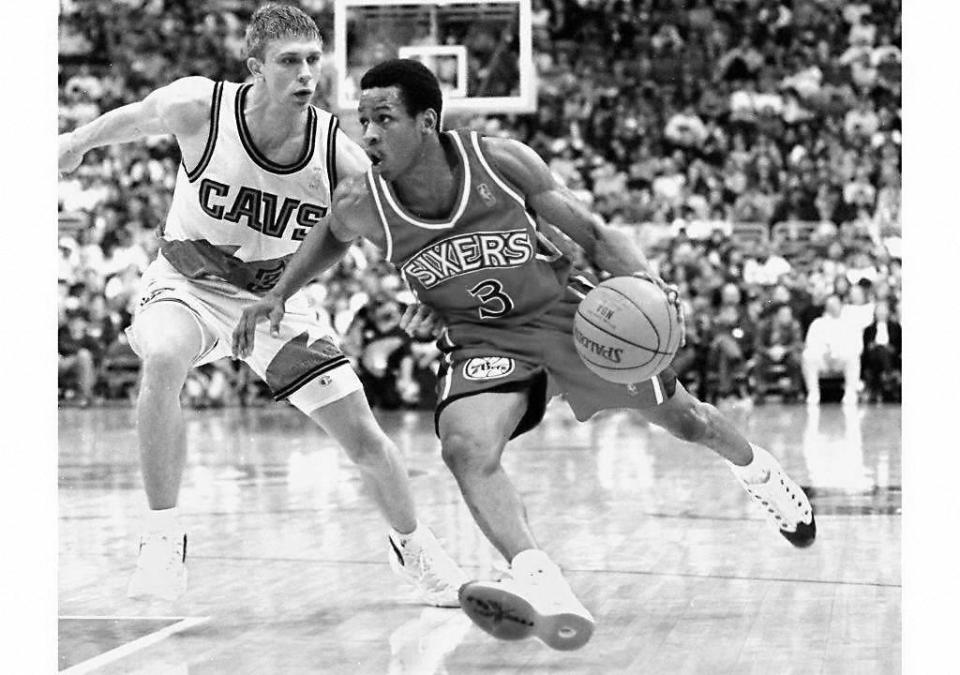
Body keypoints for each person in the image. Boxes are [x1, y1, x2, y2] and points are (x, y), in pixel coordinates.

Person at [232, 59, 816, 651]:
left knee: (689, 421)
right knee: (464, 448)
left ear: (427, 121)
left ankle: (759, 472)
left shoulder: (501, 162)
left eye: (384, 119)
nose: (370, 135)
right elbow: (330, 235)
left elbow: (591, 234)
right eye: (363, 122)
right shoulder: (363, 200)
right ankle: (540, 578)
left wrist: (652, 288)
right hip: (482, 338)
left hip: (568, 316)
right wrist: (278, 292)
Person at [57, 5, 465, 606]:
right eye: (289, 62)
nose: (306, 75)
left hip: (274, 302)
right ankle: (162, 537)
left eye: (312, 62)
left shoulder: (337, 153)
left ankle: (415, 549)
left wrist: (435, 292)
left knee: (364, 437)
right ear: (255, 68)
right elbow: (136, 118)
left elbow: (398, 231)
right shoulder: (200, 106)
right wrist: (74, 142)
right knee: (164, 355)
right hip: (187, 284)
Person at [802, 294, 862, 406]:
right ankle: (813, 393)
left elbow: (858, 346)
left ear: (841, 305)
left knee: (853, 357)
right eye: (829, 305)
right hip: (823, 360)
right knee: (808, 355)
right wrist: (824, 352)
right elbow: (810, 344)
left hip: (841, 360)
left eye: (835, 304)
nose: (832, 307)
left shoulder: (850, 324)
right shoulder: (817, 323)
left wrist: (838, 352)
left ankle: (850, 393)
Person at [861, 300, 901, 403]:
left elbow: (899, 346)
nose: (881, 314)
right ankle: (888, 375)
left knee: (882, 351)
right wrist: (872, 346)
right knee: (878, 351)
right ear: (875, 313)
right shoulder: (868, 329)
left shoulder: (896, 327)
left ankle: (875, 387)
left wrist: (891, 348)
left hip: (891, 355)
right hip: (873, 356)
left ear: (888, 313)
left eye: (884, 311)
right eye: (879, 311)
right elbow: (865, 348)